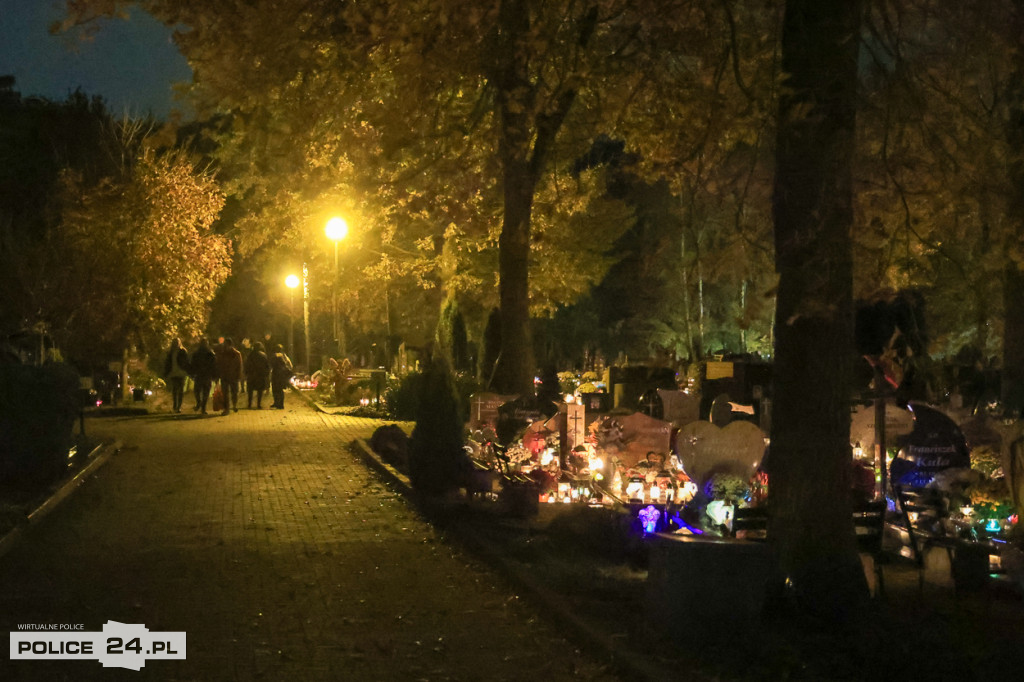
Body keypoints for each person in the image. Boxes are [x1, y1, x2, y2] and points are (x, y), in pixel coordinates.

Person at [216, 337, 244, 415]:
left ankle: (232, 406)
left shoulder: (235, 354)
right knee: (227, 393)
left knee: (232, 392)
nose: (226, 346)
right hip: (228, 376)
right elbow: (219, 364)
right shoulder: (227, 353)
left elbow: (239, 366)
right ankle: (228, 408)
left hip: (230, 376)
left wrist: (239, 375)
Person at [189, 338, 218, 415]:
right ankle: (203, 407)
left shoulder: (197, 353)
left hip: (200, 375)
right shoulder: (210, 353)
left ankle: (199, 403)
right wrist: (215, 375)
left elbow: (192, 364)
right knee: (205, 392)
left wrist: (192, 373)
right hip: (206, 375)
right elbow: (214, 365)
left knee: (197, 391)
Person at [163, 338, 190, 413]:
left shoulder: (183, 351)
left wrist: (186, 370)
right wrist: (167, 372)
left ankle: (179, 406)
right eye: (175, 342)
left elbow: (186, 362)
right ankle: (175, 405)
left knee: (180, 389)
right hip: (174, 372)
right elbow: (168, 363)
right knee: (175, 389)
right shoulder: (171, 352)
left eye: (177, 342)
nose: (176, 344)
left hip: (181, 372)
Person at [245, 341, 271, 409]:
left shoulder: (250, 355)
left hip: (251, 375)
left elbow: (247, 364)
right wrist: (266, 374)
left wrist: (246, 373)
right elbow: (267, 366)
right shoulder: (263, 355)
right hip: (260, 376)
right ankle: (258, 404)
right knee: (260, 391)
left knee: (250, 391)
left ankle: (249, 404)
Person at [270, 344, 294, 409]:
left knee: (275, 389)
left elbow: (271, 364)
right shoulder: (284, 356)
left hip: (275, 374)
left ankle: (276, 403)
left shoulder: (274, 356)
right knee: (280, 389)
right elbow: (290, 365)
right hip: (282, 375)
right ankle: (281, 404)